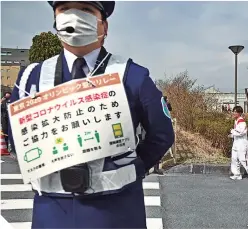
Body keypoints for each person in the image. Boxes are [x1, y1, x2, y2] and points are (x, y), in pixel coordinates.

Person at [7, 1, 174, 228]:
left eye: (86, 10)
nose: (73, 16)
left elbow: (161, 134)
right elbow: (17, 138)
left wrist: (131, 167)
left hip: (116, 212)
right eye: (64, 9)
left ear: (104, 26)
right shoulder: (30, 78)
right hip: (52, 213)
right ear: (55, 20)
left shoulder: (132, 75)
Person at [229, 106, 248, 181]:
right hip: (236, 143)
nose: (234, 113)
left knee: (243, 159)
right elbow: (237, 132)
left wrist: (232, 131)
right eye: (233, 111)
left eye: (236, 112)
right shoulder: (236, 121)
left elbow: (241, 132)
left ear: (239, 113)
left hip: (242, 143)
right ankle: (237, 174)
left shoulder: (241, 121)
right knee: (234, 159)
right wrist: (232, 135)